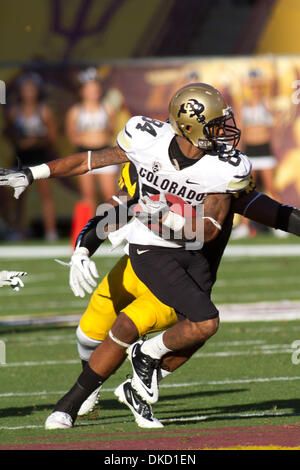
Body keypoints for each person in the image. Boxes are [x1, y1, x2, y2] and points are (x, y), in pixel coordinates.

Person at [2, 83, 300, 427]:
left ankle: (131, 385)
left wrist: (159, 214)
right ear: (191, 127)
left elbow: (234, 220)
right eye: (215, 124)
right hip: (150, 250)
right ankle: (74, 402)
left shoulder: (224, 168)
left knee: (191, 328)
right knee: (113, 330)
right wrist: (38, 177)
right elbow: (94, 170)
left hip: (194, 258)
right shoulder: (145, 146)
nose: (223, 132)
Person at [232, 69, 285, 239]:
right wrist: (238, 153)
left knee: (272, 189)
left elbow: (274, 122)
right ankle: (245, 227)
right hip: (251, 151)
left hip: (265, 149)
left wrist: (262, 87)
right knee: (247, 190)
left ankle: (280, 224)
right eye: (252, 86)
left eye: (257, 86)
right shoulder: (243, 105)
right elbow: (241, 130)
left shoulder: (266, 102)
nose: (255, 89)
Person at [5, 72, 58, 241]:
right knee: (18, 194)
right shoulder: (15, 111)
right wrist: (20, 141)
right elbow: (9, 132)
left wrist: (35, 141)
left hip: (39, 157)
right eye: (25, 89)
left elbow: (52, 135)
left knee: (45, 195)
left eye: (32, 89)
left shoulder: (44, 111)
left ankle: (51, 231)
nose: (28, 92)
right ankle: (18, 230)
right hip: (21, 157)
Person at [65, 68, 118, 213]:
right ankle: (90, 230)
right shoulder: (75, 111)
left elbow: (112, 129)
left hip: (104, 153)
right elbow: (71, 135)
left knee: (110, 194)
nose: (94, 92)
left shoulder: (107, 108)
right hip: (84, 153)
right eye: (89, 89)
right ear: (82, 91)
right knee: (88, 195)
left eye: (95, 89)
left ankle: (113, 228)